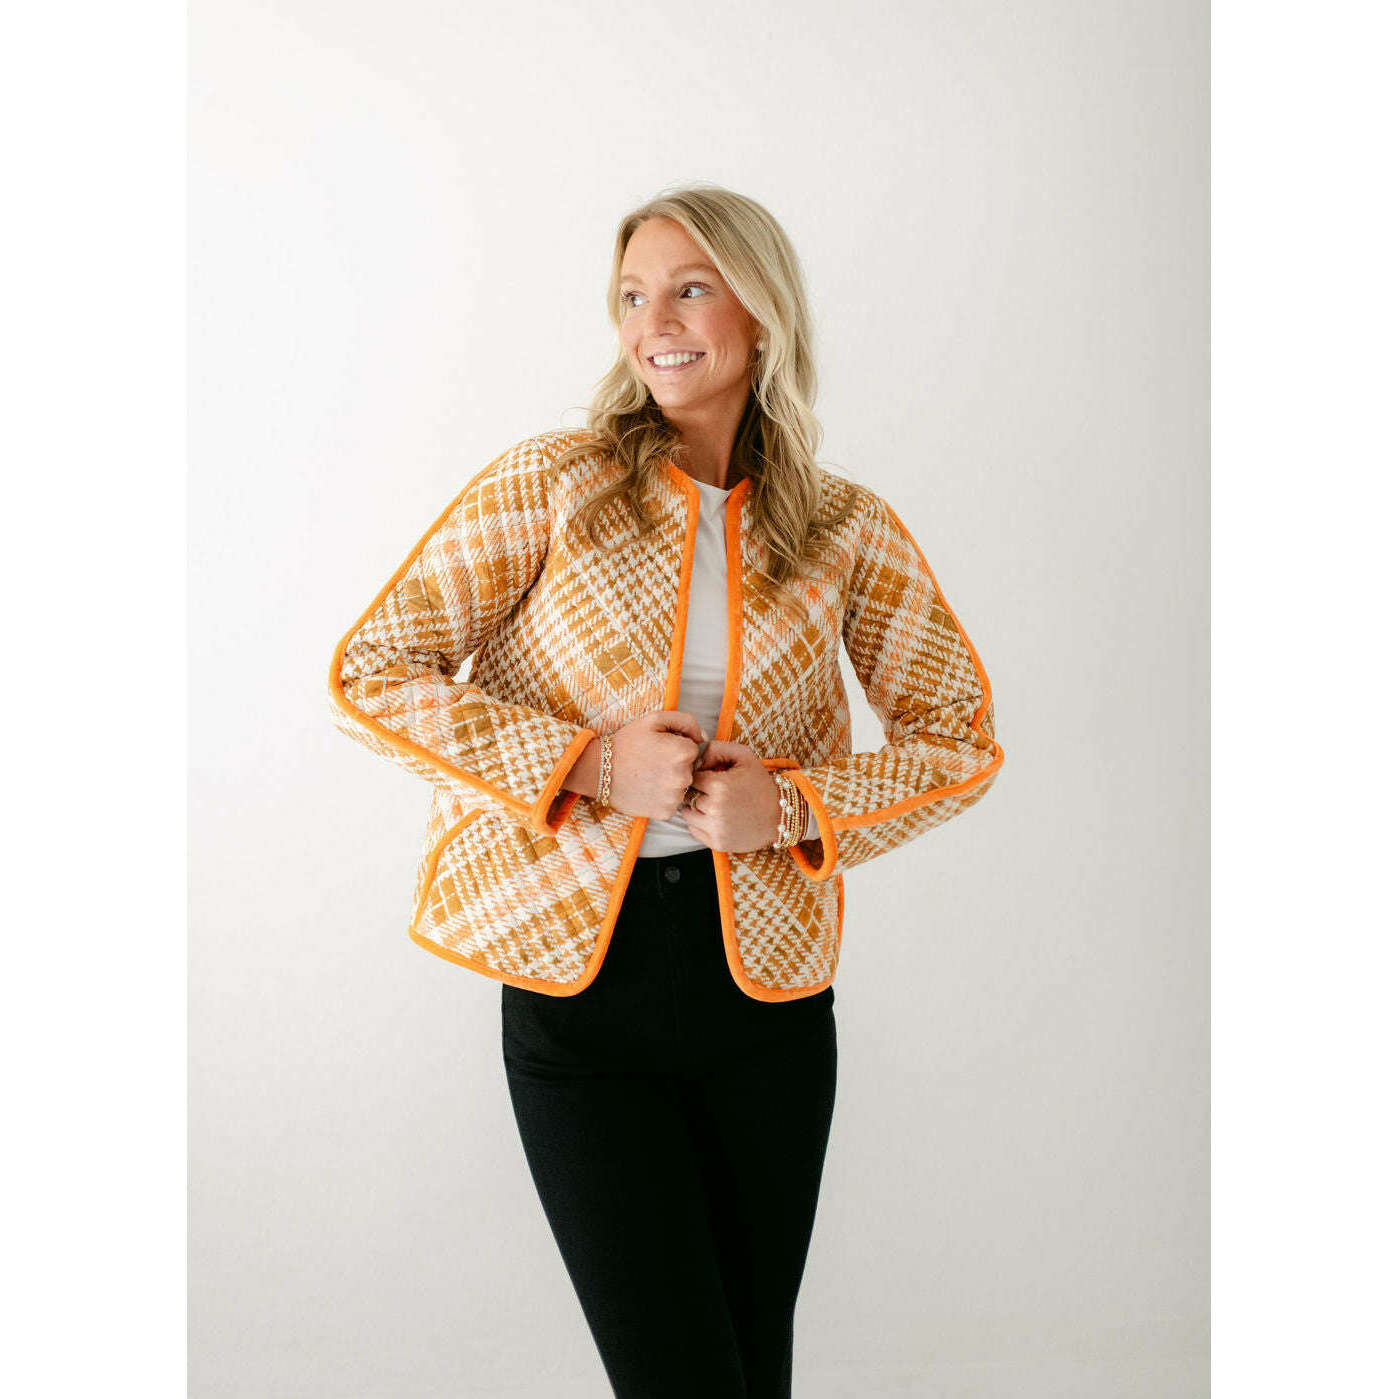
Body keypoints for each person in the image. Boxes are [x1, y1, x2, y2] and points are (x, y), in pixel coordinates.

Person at [327, 182, 1005, 1398]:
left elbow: (957, 740)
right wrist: (589, 764)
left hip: (767, 1003)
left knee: (749, 1369)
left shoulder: (843, 528)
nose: (656, 322)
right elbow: (373, 673)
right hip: (580, 998)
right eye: (633, 296)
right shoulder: (552, 482)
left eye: (690, 288)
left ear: (762, 311)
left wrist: (790, 808)